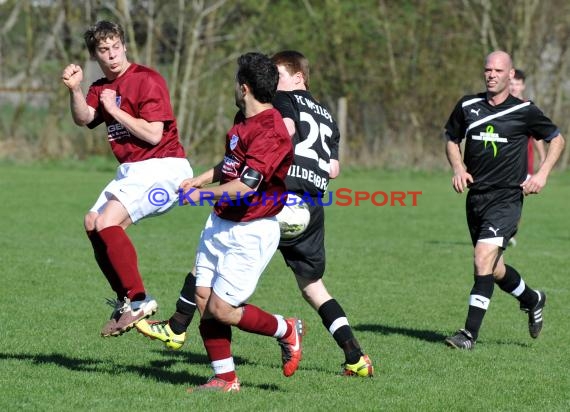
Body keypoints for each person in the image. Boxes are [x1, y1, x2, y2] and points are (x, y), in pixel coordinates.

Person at [136, 50, 374, 378]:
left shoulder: (282, 104)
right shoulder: (328, 116)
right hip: (312, 206)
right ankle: (355, 356)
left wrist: (265, 153)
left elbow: (284, 132)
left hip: (280, 198)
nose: (272, 83)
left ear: (298, 77)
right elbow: (333, 169)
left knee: (213, 263)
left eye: (278, 75)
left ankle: (179, 326)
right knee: (313, 287)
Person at [151, 52, 299, 393]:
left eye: (236, 83)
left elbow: (247, 185)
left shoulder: (272, 131)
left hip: (252, 228)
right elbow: (232, 165)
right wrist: (202, 179)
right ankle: (225, 378)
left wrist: (200, 196)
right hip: (221, 222)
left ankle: (286, 329)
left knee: (223, 308)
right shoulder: (242, 121)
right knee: (203, 298)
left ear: (243, 88)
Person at [61, 21, 193, 337]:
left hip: (164, 167)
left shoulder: (147, 79)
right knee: (92, 221)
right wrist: (76, 90)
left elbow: (153, 133)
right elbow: (84, 118)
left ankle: (139, 299)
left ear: (124, 46)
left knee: (108, 222)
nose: (112, 55)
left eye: (115, 47)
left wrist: (114, 110)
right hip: (135, 170)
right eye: (103, 50)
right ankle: (125, 300)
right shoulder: (99, 88)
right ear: (96, 55)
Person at [443, 50, 565, 349]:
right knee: (494, 269)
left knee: (482, 257)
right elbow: (450, 137)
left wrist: (542, 175)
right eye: (488, 70)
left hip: (507, 198)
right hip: (476, 199)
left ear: (511, 75)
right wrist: (458, 167)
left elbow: (557, 139)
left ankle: (469, 334)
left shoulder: (525, 111)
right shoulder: (468, 105)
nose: (491, 75)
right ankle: (532, 298)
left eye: (498, 70)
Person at [507, 68, 547, 247]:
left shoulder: (527, 108)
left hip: (524, 163)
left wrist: (543, 158)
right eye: (511, 83)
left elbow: (537, 135)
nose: (514, 87)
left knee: (517, 196)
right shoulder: (501, 106)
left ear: (522, 86)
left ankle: (510, 230)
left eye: (517, 84)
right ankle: (503, 230)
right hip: (503, 163)